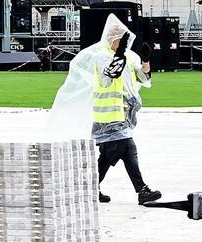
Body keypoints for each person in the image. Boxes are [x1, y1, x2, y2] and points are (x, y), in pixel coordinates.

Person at [53, 14, 161, 205]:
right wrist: (119, 55)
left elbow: (144, 80)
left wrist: (145, 61)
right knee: (122, 151)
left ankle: (104, 189)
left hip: (124, 115)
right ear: (113, 40)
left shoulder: (129, 56)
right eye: (122, 40)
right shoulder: (102, 57)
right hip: (108, 116)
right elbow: (108, 77)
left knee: (122, 152)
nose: (125, 44)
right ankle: (138, 190)